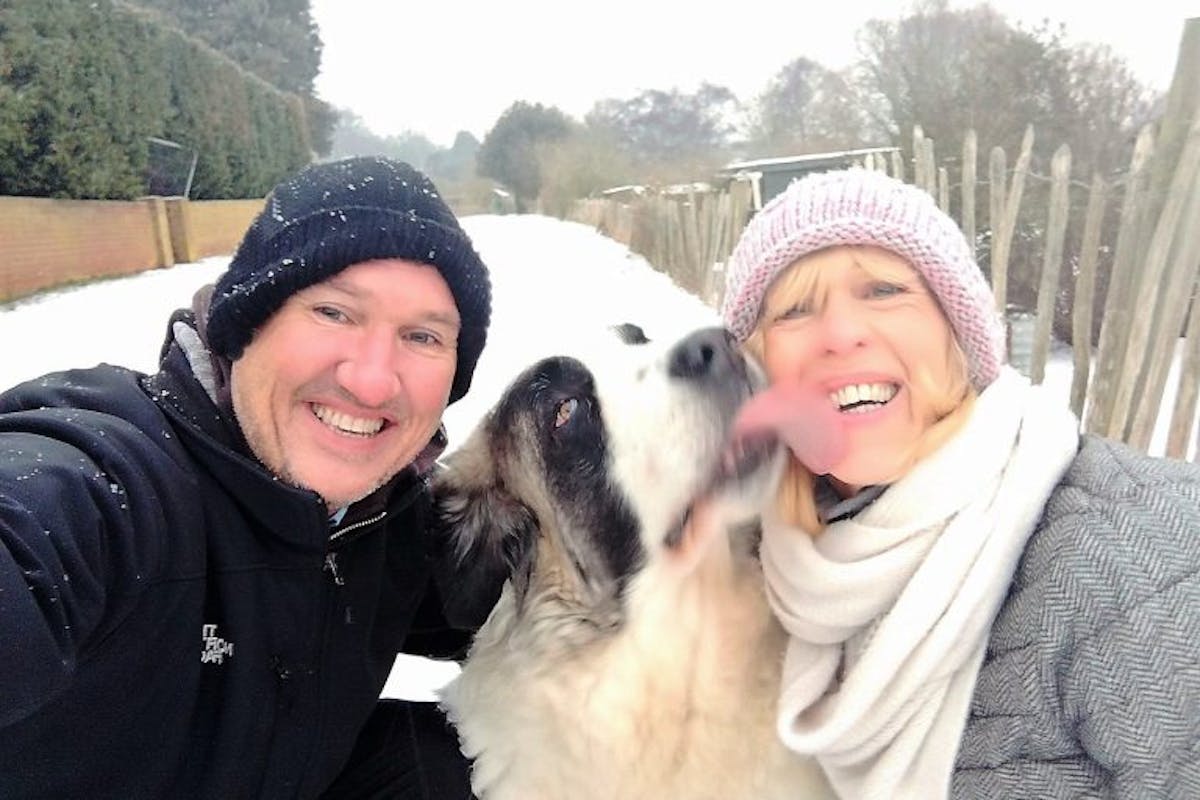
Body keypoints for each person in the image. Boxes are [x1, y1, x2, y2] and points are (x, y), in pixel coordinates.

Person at [0, 155, 498, 799]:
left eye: (424, 337)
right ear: (245, 327)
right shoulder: (112, 486)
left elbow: (563, 604)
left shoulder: (386, 522)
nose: (372, 379)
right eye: (333, 313)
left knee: (466, 764)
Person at [721, 167, 1200, 799]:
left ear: (956, 333)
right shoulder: (761, 578)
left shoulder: (1140, 561)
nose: (840, 335)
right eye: (795, 311)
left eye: (886, 291)